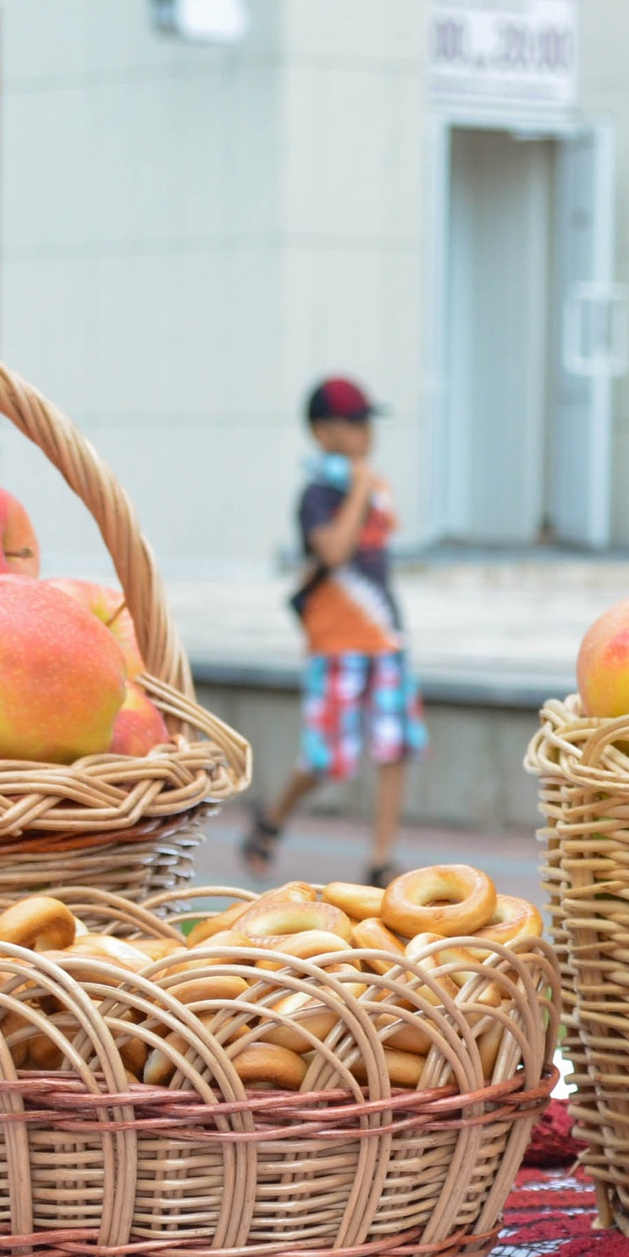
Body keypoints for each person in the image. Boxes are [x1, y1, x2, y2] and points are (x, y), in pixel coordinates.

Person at [240, 376, 426, 886]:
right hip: (336, 641)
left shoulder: (369, 484)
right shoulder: (317, 494)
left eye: (369, 421)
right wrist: (361, 489)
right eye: (354, 423)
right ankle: (272, 817)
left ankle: (380, 860)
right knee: (326, 759)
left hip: (385, 635)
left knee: (395, 747)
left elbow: (385, 541)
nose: (367, 433)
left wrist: (369, 489)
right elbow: (334, 552)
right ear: (323, 433)